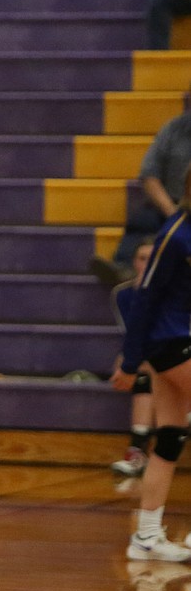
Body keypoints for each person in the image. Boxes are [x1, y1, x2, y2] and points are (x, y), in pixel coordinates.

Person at [110, 164, 191, 563]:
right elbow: (144, 298)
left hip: (179, 339)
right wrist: (131, 360)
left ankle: (145, 537)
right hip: (170, 342)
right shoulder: (174, 236)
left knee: (172, 436)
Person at [93, 110, 191, 284]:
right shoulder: (173, 129)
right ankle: (123, 269)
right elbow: (149, 175)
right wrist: (172, 212)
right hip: (171, 204)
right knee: (144, 220)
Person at [110, 239, 157, 477]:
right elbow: (134, 334)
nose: (147, 264)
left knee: (144, 368)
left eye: (152, 258)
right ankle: (137, 452)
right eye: (142, 258)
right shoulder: (123, 294)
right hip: (156, 358)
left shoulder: (176, 291)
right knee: (140, 373)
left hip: (179, 354)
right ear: (133, 262)